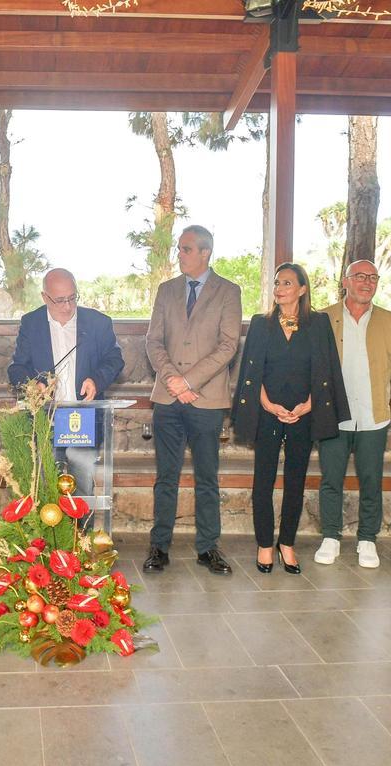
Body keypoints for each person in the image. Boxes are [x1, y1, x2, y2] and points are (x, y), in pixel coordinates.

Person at [233, 263, 348, 574]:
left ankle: (287, 544)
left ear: (302, 289)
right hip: (268, 412)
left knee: (295, 481)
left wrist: (309, 405)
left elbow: (326, 369)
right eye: (276, 283)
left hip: (304, 414)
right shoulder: (261, 323)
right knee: (264, 480)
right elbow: (250, 373)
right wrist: (268, 405)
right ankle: (265, 545)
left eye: (286, 283)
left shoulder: (319, 323)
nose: (279, 288)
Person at [143, 224, 242, 576]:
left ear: (205, 252)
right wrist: (173, 380)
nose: (179, 254)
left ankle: (208, 548)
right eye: (180, 249)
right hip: (168, 400)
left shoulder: (228, 291)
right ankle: (159, 546)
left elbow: (228, 345)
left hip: (207, 400)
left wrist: (189, 381)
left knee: (207, 478)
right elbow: (153, 342)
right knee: (166, 476)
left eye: (185, 249)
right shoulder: (166, 290)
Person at [7, 267, 124, 499]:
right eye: (60, 300)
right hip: (46, 418)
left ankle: (82, 536)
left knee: (82, 491)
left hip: (84, 418)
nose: (68, 306)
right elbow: (17, 367)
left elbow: (114, 359)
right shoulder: (32, 323)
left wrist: (96, 380)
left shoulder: (98, 322)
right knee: (47, 488)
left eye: (72, 298)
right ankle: (48, 537)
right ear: (44, 297)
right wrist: (33, 386)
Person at [314, 259, 391, 569]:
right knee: (331, 479)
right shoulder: (323, 318)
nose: (367, 282)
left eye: (373, 277)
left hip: (373, 415)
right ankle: (331, 537)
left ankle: (367, 539)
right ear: (345, 281)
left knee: (371, 480)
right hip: (334, 415)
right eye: (360, 276)